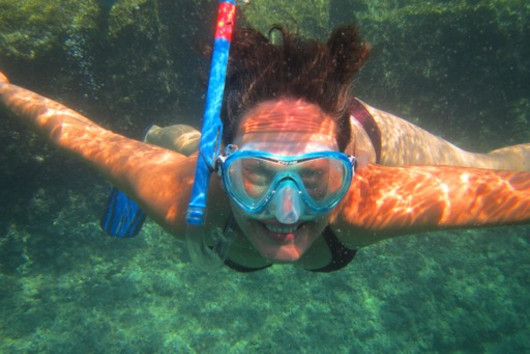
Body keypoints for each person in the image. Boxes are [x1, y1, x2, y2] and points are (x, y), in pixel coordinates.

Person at [0, 25, 529, 272]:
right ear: (223, 163)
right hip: (214, 160)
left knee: (485, 167)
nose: (286, 211)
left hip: (365, 129)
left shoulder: (367, 204)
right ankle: (163, 133)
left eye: (317, 176)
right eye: (255, 174)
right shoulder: (186, 196)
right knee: (177, 145)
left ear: (350, 175)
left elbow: (510, 188)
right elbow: (79, 135)